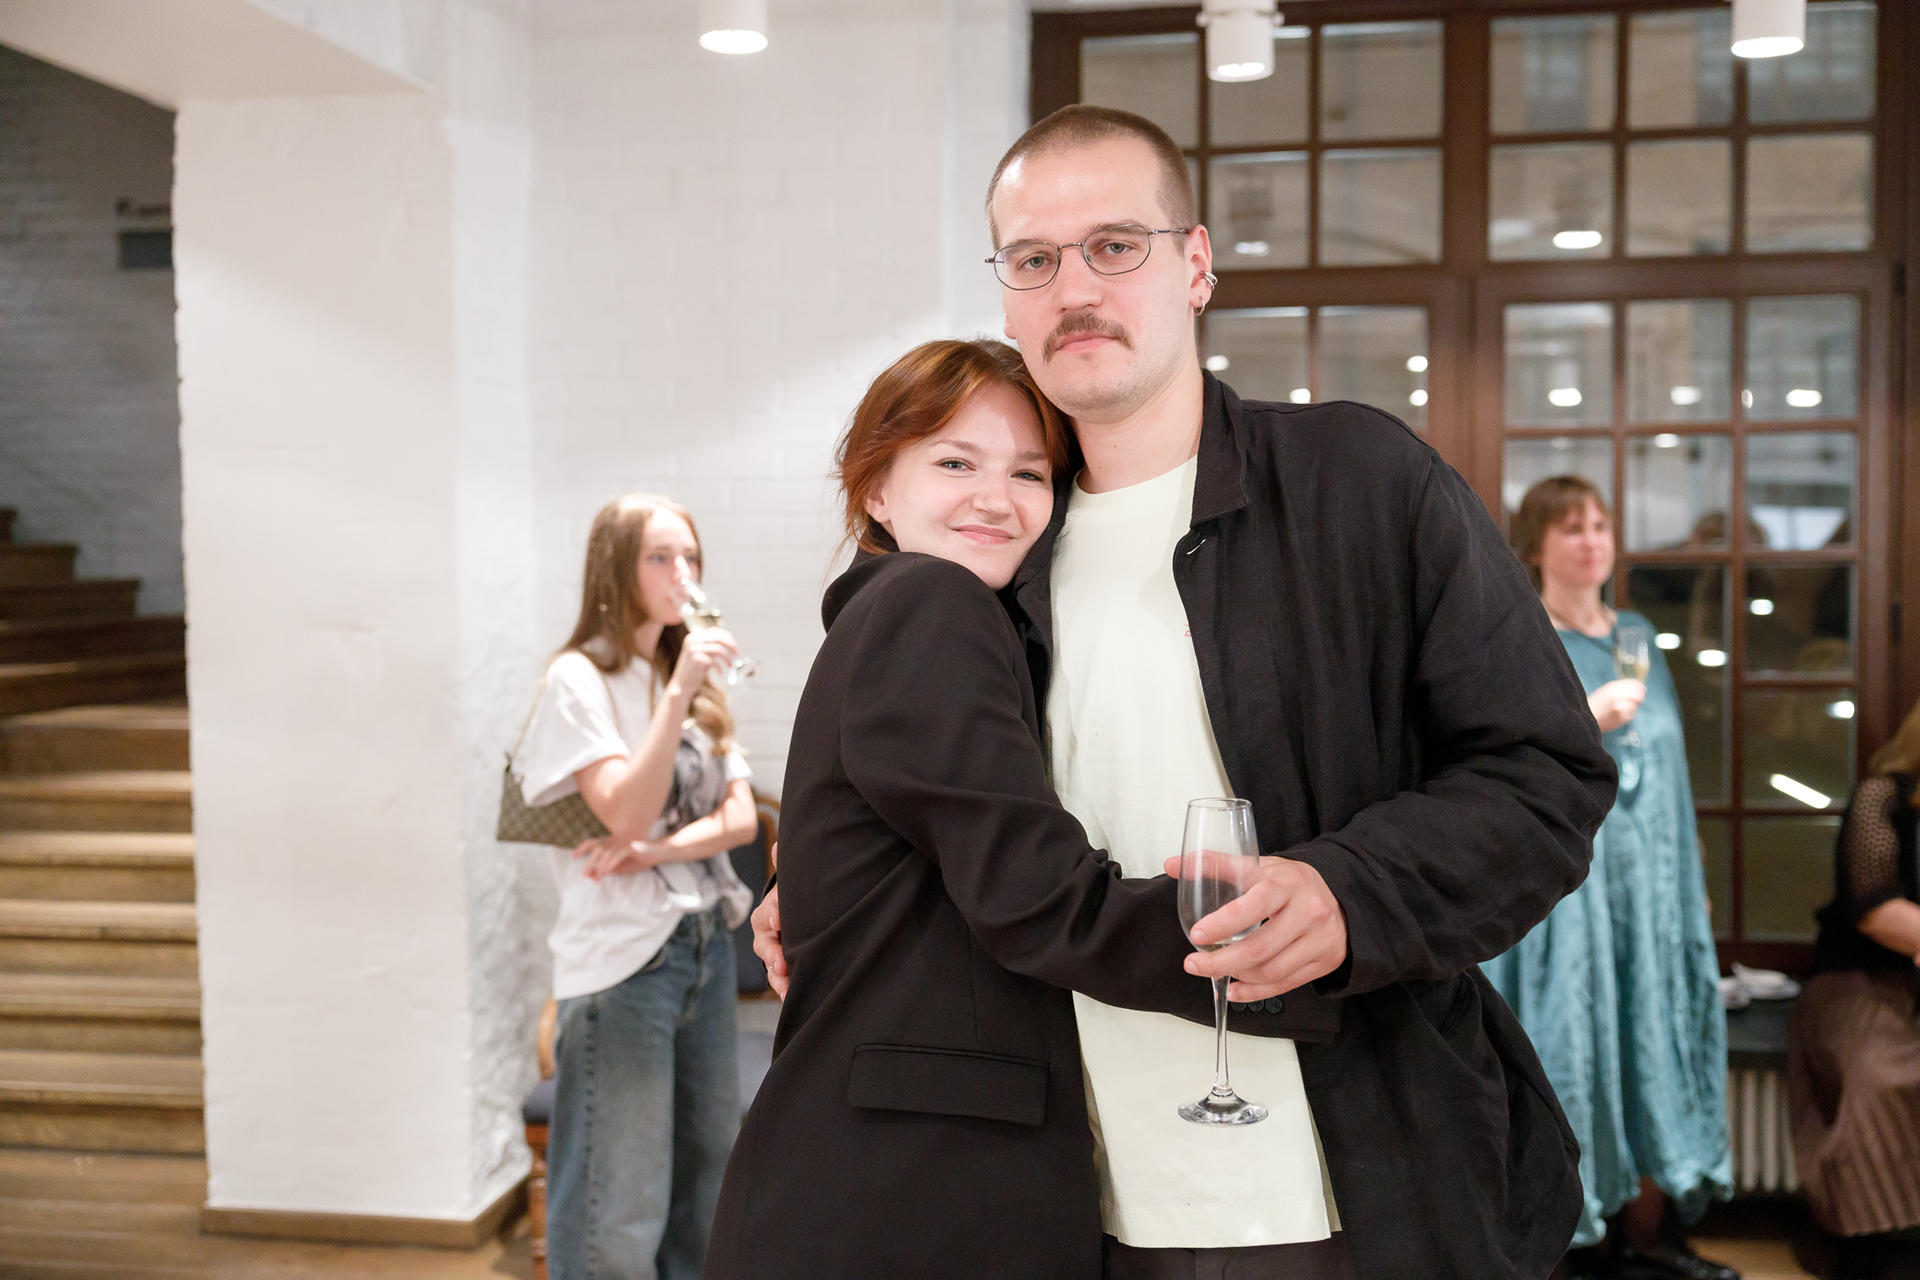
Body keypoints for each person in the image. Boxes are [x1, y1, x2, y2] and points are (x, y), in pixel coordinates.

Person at [757, 104, 1618, 1280]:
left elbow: (1545, 772)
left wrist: (1350, 890)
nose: (1075, 287)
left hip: (1351, 1185)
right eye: (1034, 258)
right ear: (1006, 294)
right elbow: (952, 805)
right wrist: (815, 877)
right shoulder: (992, 564)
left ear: (1196, 264)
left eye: (1116, 245)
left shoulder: (1360, 482)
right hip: (1061, 1200)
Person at [704, 338, 1338, 1280]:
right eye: (955, 464)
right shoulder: (931, 603)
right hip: (907, 1186)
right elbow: (1036, 897)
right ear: (876, 490)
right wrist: (1272, 950)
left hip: (884, 1168)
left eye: (1029, 473)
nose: (995, 499)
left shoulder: (915, 614)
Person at [1482, 476, 1736, 1280]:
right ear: (1535, 546)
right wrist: (1588, 719)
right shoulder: (1523, 636)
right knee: (1576, 1040)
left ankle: (1649, 1240)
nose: (1591, 541)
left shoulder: (1637, 634)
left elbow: (1671, 765)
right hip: (1572, 886)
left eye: (1599, 525)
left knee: (1653, 1031)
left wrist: (1689, 873)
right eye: (1571, 528)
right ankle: (1571, 1243)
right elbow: (1500, 759)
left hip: (1650, 881)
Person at [512, 494, 758, 1280]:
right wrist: (679, 691)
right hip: (624, 966)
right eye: (660, 557)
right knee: (617, 1206)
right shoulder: (580, 679)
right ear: (615, 569)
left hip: (703, 943)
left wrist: (652, 854)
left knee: (706, 1184)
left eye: (691, 557)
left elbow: (742, 820)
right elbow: (624, 810)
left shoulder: (688, 679)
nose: (683, 574)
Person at [1790, 694, 1920, 1280]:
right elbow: (1875, 908)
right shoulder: (1883, 797)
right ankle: (1871, 1245)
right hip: (1862, 979)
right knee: (1884, 1076)